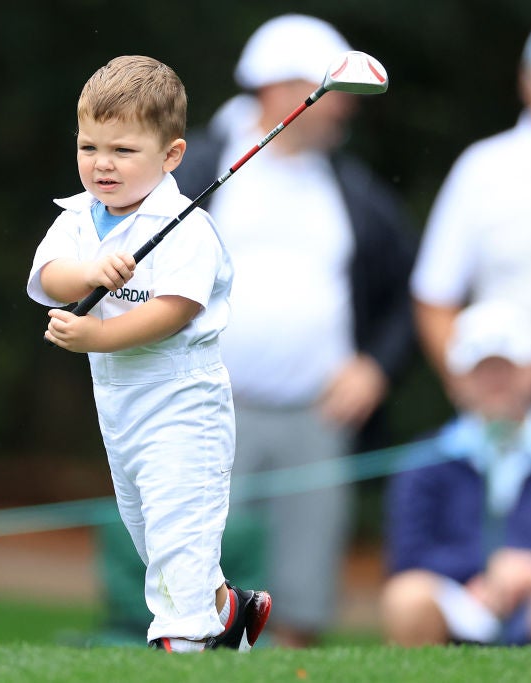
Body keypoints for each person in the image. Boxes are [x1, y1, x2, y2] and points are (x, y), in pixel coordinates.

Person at [172, 15, 416, 647]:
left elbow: (409, 293)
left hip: (318, 416)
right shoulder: (197, 166)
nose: (342, 115)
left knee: (301, 596)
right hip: (210, 410)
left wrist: (377, 367)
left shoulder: (351, 189)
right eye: (329, 96)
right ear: (278, 91)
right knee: (207, 586)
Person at [28, 55, 271, 653]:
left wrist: (96, 337)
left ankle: (181, 643)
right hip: (118, 404)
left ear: (171, 155)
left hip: (183, 400)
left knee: (176, 540)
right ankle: (228, 612)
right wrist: (91, 271)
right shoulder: (77, 217)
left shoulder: (188, 227)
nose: (101, 163)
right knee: (152, 540)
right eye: (89, 146)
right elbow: (48, 274)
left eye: (123, 150)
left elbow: (176, 309)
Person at [412, 8, 531, 420]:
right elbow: (435, 296)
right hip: (517, 401)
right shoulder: (485, 168)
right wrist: (475, 389)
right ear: (529, 81)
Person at [382, 301, 531, 647]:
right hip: (460, 596)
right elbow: (409, 557)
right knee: (407, 598)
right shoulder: (427, 458)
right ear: (454, 381)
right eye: (480, 370)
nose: (494, 382)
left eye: (506, 368)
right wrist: (484, 570)